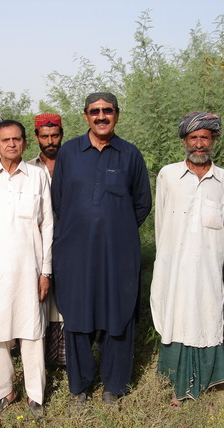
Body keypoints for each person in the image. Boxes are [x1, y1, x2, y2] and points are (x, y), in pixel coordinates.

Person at [51, 92, 152, 406]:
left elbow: (142, 203)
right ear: (85, 116)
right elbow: (59, 200)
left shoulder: (130, 155)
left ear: (117, 115)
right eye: (95, 111)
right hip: (75, 252)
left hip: (117, 253)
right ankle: (79, 385)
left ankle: (114, 384)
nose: (101, 116)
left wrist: (114, 227)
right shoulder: (69, 153)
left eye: (108, 111)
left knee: (117, 314)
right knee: (77, 315)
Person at [0, 120, 53, 419]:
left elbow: (47, 225)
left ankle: (36, 396)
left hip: (28, 270)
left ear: (25, 143)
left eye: (17, 139)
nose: (11, 144)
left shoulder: (38, 177)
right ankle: (2, 392)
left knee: (31, 334)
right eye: (5, 140)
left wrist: (46, 271)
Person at [150, 112, 224, 405]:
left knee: (206, 313)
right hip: (173, 264)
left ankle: (205, 381)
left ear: (213, 141)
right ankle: (175, 382)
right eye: (193, 138)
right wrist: (168, 258)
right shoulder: (168, 175)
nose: (199, 144)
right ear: (185, 141)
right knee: (175, 314)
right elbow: (161, 220)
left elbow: (221, 224)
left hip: (208, 267)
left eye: (205, 138)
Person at [27, 113, 65, 367]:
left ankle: (63, 357)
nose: (50, 141)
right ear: (36, 138)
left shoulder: (73, 162)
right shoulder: (29, 169)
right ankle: (39, 358)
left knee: (64, 301)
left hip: (68, 241)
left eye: (54, 136)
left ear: (61, 135)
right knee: (38, 298)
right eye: (45, 137)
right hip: (37, 244)